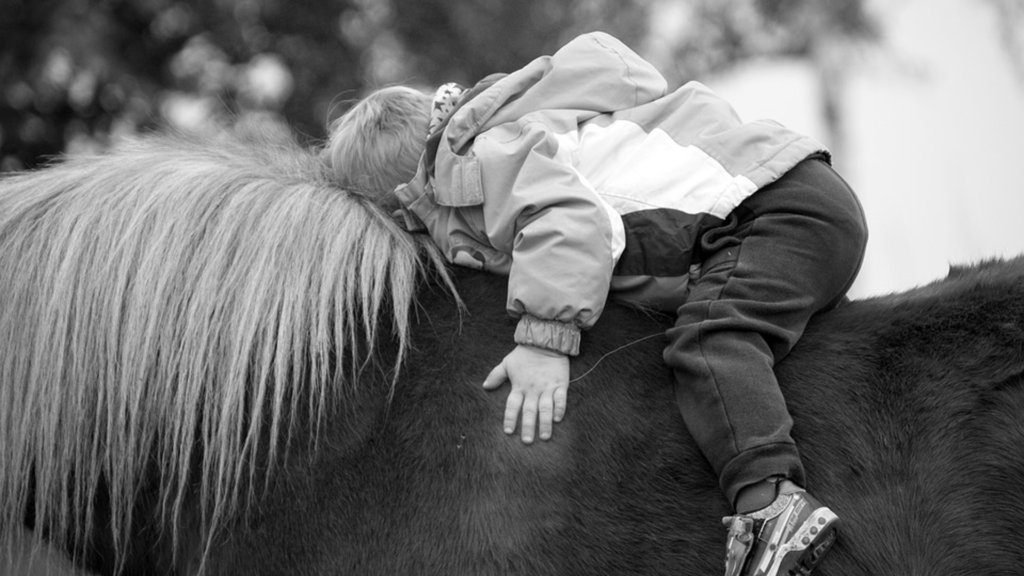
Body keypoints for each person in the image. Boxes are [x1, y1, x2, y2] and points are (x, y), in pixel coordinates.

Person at [323, 31, 867, 576]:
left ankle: (771, 505)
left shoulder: (479, 163)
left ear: (405, 198)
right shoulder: (520, 134)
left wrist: (544, 340)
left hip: (773, 213)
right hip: (790, 197)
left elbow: (576, 226)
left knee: (710, 342)